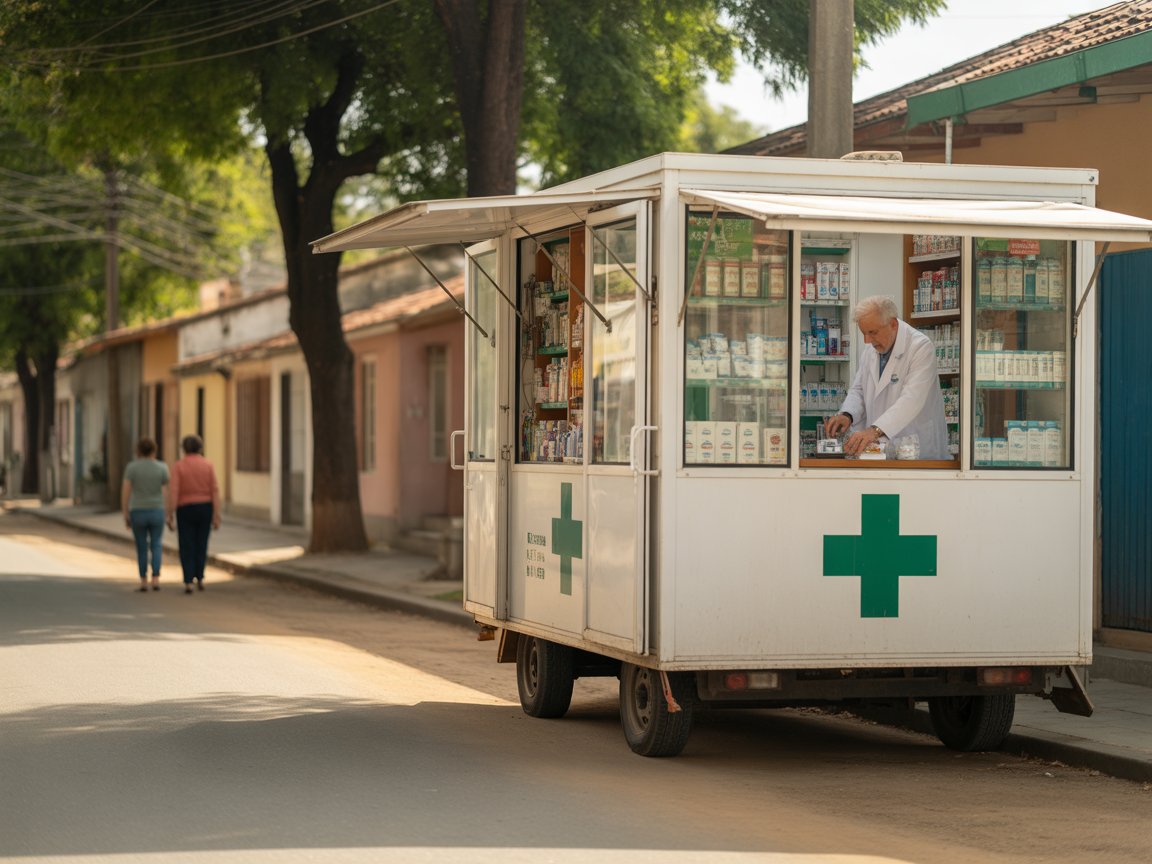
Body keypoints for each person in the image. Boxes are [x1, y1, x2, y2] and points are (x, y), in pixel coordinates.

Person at [825, 295, 949, 460]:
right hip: (879, 451)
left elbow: (912, 400)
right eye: (864, 333)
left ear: (893, 324)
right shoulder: (871, 349)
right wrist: (847, 414)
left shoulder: (920, 347)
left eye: (872, 332)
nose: (867, 340)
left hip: (916, 450)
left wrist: (875, 431)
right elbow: (859, 390)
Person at [166, 434, 221, 594]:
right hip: (205, 508)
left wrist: (170, 513)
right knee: (201, 543)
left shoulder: (179, 466)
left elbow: (174, 490)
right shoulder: (208, 465)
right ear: (200, 448)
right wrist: (216, 514)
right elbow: (215, 490)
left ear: (184, 449)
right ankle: (200, 577)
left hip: (185, 509)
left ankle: (189, 581)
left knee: (186, 544)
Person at [121, 437, 169, 592]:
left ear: (139, 451)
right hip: (157, 510)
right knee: (156, 544)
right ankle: (156, 579)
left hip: (138, 511)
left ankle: (143, 580)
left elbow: (126, 491)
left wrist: (125, 512)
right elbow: (166, 491)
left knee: (141, 546)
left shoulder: (132, 468)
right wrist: (168, 511)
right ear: (154, 450)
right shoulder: (162, 467)